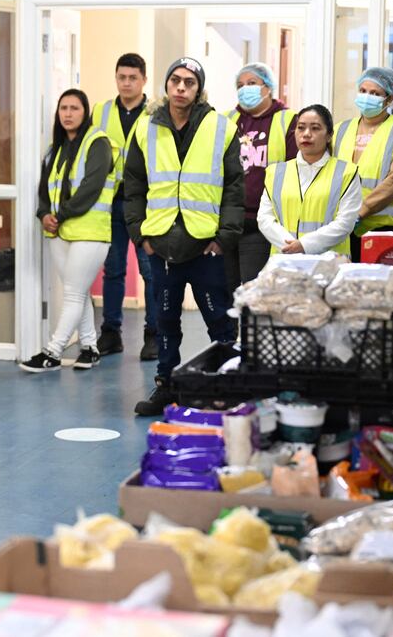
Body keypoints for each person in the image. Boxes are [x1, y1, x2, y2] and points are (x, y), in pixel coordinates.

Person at [123, 57, 244, 416]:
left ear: (199, 89)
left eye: (189, 82)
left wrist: (223, 238)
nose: (180, 88)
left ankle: (226, 386)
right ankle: (166, 386)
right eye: (175, 80)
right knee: (164, 323)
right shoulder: (145, 129)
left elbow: (234, 189)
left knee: (220, 322)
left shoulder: (221, 127)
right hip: (160, 245)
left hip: (205, 246)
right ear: (166, 84)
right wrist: (138, 234)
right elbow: (133, 187)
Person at [20, 89, 115, 373]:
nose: (68, 114)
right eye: (64, 108)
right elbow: (43, 190)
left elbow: (91, 187)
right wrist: (43, 214)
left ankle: (53, 351)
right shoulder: (55, 150)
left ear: (85, 112)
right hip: (60, 232)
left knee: (73, 293)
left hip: (90, 231)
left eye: (75, 108)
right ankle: (89, 347)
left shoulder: (98, 142)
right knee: (80, 291)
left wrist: (58, 215)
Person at [94, 53, 158, 362]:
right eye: (122, 77)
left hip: (145, 205)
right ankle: (111, 333)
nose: (127, 83)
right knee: (114, 270)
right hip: (110, 203)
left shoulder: (157, 113)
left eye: (133, 77)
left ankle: (154, 334)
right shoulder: (101, 112)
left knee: (151, 271)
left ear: (144, 79)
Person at [332, 67, 393, 263]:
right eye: (363, 91)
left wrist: (360, 212)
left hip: (385, 230)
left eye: (375, 93)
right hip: (344, 229)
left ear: (389, 99)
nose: (367, 97)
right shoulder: (341, 129)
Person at [225, 62, 298, 286]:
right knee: (227, 290)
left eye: (252, 83)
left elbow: (294, 168)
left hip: (263, 221)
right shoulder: (228, 119)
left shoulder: (288, 119)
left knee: (252, 288)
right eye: (240, 85)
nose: (245, 89)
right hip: (229, 219)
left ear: (267, 87)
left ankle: (247, 324)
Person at [257, 104, 360, 255]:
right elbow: (265, 218)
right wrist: (291, 246)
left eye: (315, 128)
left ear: (329, 135)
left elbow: (345, 223)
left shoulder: (346, 172)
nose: (306, 134)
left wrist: (305, 245)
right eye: (301, 127)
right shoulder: (276, 172)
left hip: (329, 263)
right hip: (284, 261)